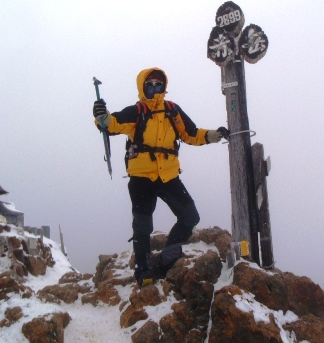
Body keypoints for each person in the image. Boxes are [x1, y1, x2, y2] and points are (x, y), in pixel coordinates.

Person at [93, 67, 228, 287]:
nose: (155, 88)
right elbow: (114, 124)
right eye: (150, 84)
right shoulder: (137, 111)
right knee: (143, 225)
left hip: (168, 174)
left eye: (158, 84)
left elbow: (190, 133)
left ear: (164, 86)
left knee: (190, 216)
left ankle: (168, 257)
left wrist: (214, 135)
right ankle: (143, 270)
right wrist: (102, 117)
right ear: (142, 87)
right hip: (141, 176)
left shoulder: (172, 110)